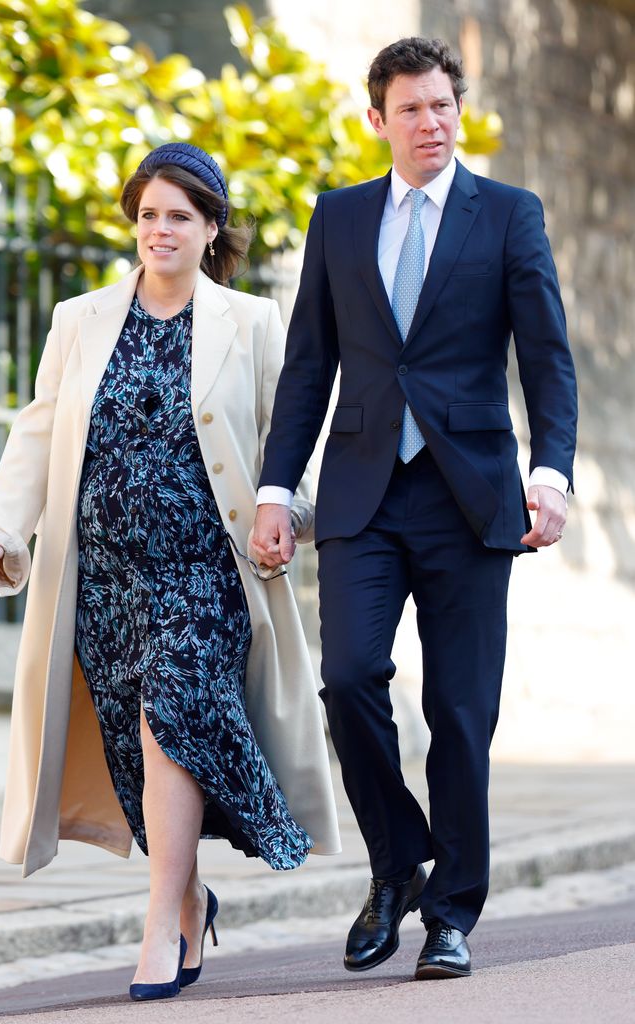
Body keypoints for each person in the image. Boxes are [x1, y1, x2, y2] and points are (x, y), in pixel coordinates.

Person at [0, 142, 340, 1002]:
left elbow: (292, 435)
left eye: (178, 216)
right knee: (136, 755)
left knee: (171, 716)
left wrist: (297, 511)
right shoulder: (80, 319)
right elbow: (36, 433)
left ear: (211, 229)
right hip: (104, 576)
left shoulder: (249, 321)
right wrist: (0, 531)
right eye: (146, 215)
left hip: (206, 571)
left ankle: (154, 932)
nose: (159, 231)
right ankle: (188, 898)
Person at [252, 37, 577, 980]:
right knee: (350, 679)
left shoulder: (509, 216)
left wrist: (549, 474)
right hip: (362, 494)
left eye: (443, 106)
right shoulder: (340, 218)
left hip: (472, 498)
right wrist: (278, 488)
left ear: (456, 110)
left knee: (460, 711)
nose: (431, 124)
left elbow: (547, 359)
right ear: (376, 120)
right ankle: (396, 864)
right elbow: (309, 364)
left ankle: (449, 913)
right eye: (412, 110)